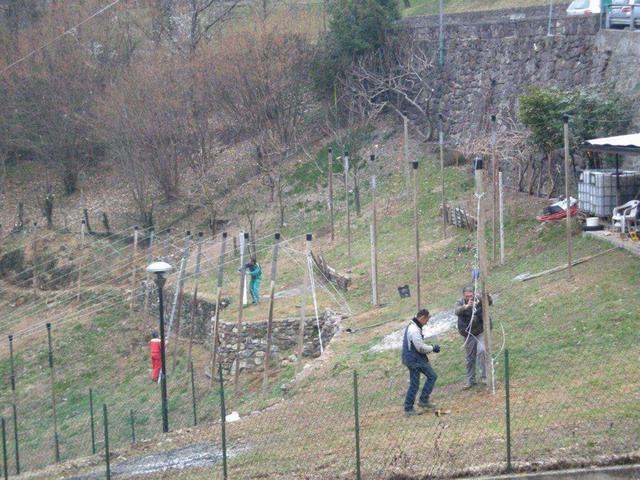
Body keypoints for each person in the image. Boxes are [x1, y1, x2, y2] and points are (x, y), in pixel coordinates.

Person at [401, 308, 441, 417]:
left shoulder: (414, 326)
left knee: (428, 377)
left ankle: (423, 401)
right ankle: (409, 408)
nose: (426, 323)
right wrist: (433, 348)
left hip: (414, 359)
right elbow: (420, 347)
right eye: (426, 321)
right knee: (421, 381)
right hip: (414, 360)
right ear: (422, 318)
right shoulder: (414, 329)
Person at [454, 286, 492, 390]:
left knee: (482, 351)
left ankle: (485, 377)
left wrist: (488, 297)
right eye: (467, 296)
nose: (469, 297)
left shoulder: (479, 298)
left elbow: (488, 303)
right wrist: (466, 306)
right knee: (470, 358)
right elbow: (456, 311)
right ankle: (470, 380)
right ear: (463, 295)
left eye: (471, 295)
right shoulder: (460, 302)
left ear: (474, 294)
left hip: (480, 331)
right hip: (468, 333)